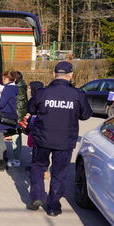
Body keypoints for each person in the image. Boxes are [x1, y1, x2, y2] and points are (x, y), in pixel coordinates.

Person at [25, 61, 92, 216]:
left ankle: (36, 196)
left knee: (37, 166)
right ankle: (53, 206)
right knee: (59, 173)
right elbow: (86, 115)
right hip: (65, 141)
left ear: (54, 74)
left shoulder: (42, 92)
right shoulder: (78, 94)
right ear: (71, 75)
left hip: (42, 139)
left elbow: (30, 108)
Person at [0, 71, 19, 171]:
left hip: (3, 115)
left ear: (6, 78)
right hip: (9, 115)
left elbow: (1, 103)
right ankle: (2, 158)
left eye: (3, 78)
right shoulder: (14, 89)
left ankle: (0, 162)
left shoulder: (8, 89)